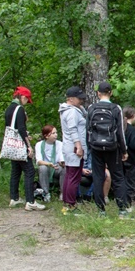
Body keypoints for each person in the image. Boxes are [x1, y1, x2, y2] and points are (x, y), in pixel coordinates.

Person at [86, 81, 129, 216]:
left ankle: (101, 210)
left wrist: (89, 148)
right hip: (112, 147)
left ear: (98, 93)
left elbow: (88, 130)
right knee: (118, 177)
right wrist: (124, 150)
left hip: (96, 147)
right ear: (111, 93)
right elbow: (120, 132)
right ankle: (122, 209)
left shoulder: (91, 108)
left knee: (98, 177)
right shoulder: (116, 108)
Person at [6, 86, 45, 211]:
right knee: (30, 171)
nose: (27, 102)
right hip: (20, 145)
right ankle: (30, 201)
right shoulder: (20, 109)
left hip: (12, 145)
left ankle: (14, 198)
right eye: (27, 99)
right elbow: (21, 129)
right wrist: (28, 146)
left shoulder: (9, 109)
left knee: (15, 170)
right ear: (22, 97)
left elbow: (13, 128)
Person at [59, 86, 88, 215]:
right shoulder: (71, 112)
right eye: (78, 98)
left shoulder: (71, 110)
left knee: (70, 176)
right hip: (74, 147)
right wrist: (79, 146)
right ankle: (70, 204)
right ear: (70, 99)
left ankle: (66, 203)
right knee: (74, 177)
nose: (81, 101)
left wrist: (81, 109)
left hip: (69, 147)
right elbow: (73, 129)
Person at [34, 125, 64, 203]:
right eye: (53, 133)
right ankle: (46, 193)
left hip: (56, 167)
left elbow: (61, 157)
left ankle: (63, 193)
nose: (56, 135)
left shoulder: (60, 144)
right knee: (42, 168)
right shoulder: (39, 145)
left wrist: (62, 162)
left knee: (64, 169)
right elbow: (39, 161)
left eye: (56, 133)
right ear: (46, 136)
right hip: (46, 166)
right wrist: (49, 164)